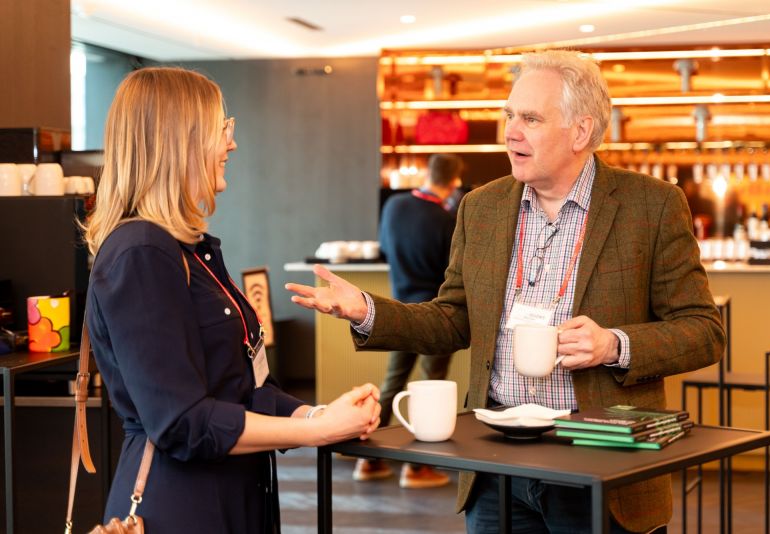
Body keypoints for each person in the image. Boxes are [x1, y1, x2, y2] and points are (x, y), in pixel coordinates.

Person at [288, 50, 724, 533]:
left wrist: (613, 345)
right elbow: (453, 318)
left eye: (530, 119)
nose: (511, 131)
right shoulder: (482, 208)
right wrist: (366, 311)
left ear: (581, 131)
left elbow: (704, 331)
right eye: (509, 115)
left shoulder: (652, 206)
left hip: (602, 460)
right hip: (496, 464)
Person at [82, 67, 380, 532]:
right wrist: (315, 430)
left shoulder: (187, 250)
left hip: (231, 495)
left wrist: (320, 413)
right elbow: (181, 421)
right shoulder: (141, 252)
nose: (232, 144)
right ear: (178, 140)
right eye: (221, 128)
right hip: (182, 508)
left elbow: (246, 390)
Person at [353, 154, 462, 488]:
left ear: (428, 174)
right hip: (435, 316)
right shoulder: (446, 219)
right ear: (454, 182)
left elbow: (386, 249)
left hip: (399, 310)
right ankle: (417, 468)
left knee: (392, 384)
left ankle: (368, 461)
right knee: (432, 386)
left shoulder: (394, 206)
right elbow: (453, 271)